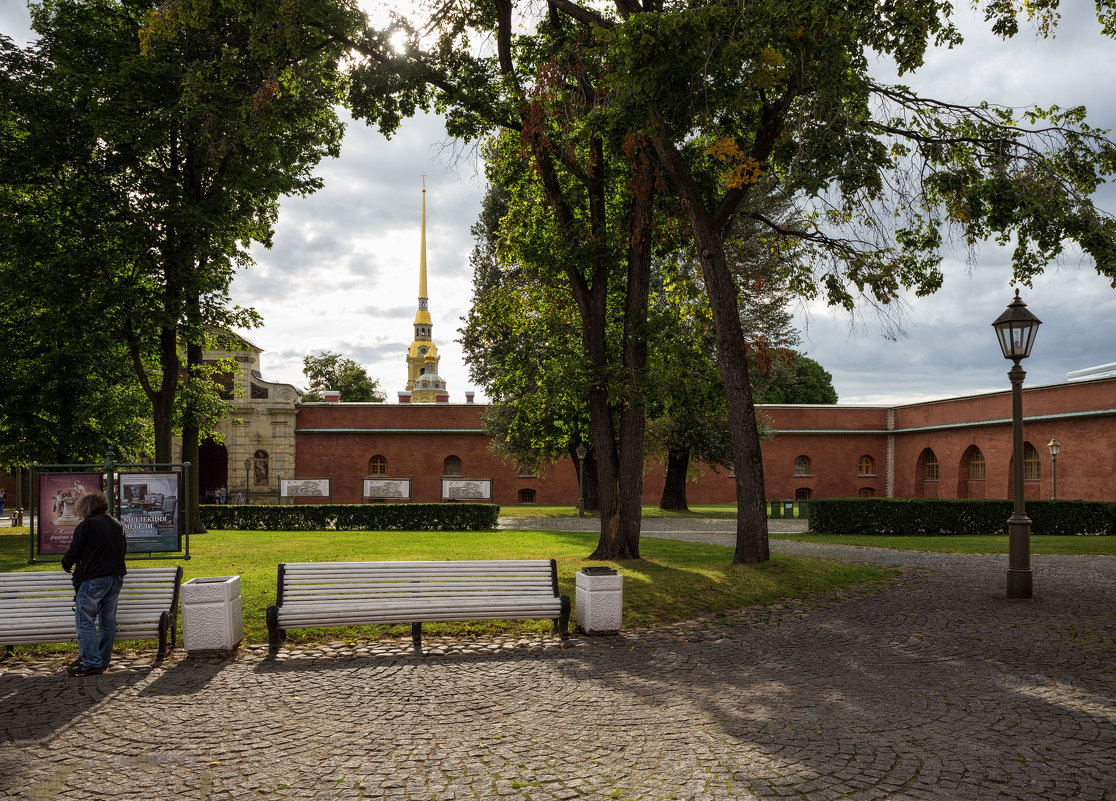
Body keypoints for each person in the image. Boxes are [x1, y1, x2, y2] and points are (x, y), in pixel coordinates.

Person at [62, 492, 127, 677]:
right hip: (116, 577)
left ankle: (91, 662)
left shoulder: (87, 525)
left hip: (94, 579)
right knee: (107, 621)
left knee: (85, 620)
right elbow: (123, 550)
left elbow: (75, 550)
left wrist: (66, 564)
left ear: (87, 507)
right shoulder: (117, 524)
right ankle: (102, 659)